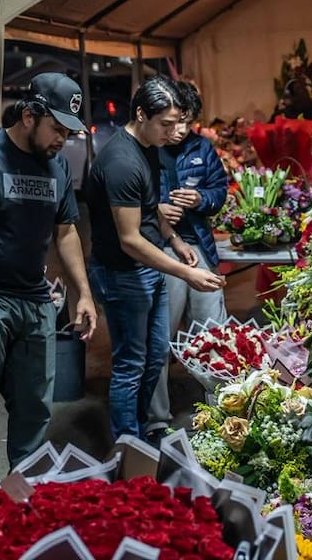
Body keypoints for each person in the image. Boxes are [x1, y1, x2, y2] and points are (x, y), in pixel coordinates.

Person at [0, 72, 98, 485]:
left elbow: (66, 232)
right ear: (30, 115)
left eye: (68, 133)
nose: (62, 140)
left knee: (34, 408)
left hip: (36, 301)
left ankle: (22, 492)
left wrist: (84, 294)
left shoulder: (58, 166)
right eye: (57, 129)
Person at [85, 77, 226, 440]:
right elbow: (130, 239)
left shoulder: (148, 145)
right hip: (123, 271)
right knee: (131, 363)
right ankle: (129, 443)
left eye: (180, 123)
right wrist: (185, 272)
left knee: (154, 354)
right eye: (166, 124)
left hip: (147, 267)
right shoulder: (121, 161)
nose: (173, 132)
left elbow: (150, 209)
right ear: (141, 115)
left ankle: (149, 434)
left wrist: (175, 240)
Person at [147, 80, 230, 440]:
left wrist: (201, 200)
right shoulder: (148, 148)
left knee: (214, 333)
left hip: (201, 249)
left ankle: (223, 407)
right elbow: (130, 199)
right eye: (176, 121)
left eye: (188, 122)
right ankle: (156, 420)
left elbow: (219, 191)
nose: (180, 130)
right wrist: (157, 210)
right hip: (161, 253)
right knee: (160, 336)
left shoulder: (202, 148)